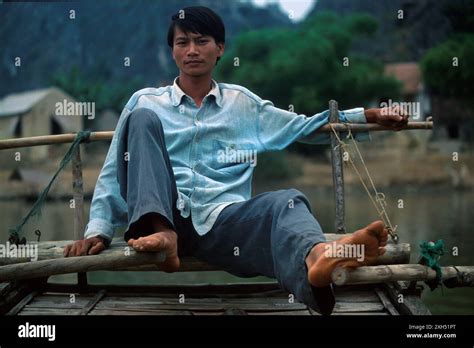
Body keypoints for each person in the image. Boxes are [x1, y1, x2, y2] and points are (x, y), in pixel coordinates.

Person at [64, 6, 408, 315]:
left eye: (202, 41)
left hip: (223, 220)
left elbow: (304, 127)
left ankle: (319, 260)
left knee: (287, 201)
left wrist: (367, 115)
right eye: (183, 42)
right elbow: (114, 168)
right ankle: (164, 235)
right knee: (141, 121)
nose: (192, 50)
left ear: (220, 49)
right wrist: (99, 229)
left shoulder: (241, 104)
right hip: (159, 219)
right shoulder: (145, 101)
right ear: (172, 51)